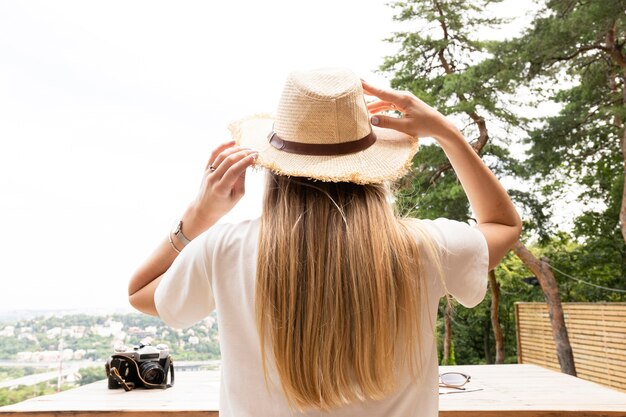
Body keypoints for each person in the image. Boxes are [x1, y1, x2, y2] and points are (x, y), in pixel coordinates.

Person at [128, 68, 521, 417]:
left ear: (275, 168)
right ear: (371, 168)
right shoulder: (424, 247)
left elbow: (141, 291)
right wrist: (446, 132)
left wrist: (200, 215)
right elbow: (503, 224)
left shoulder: (224, 249)